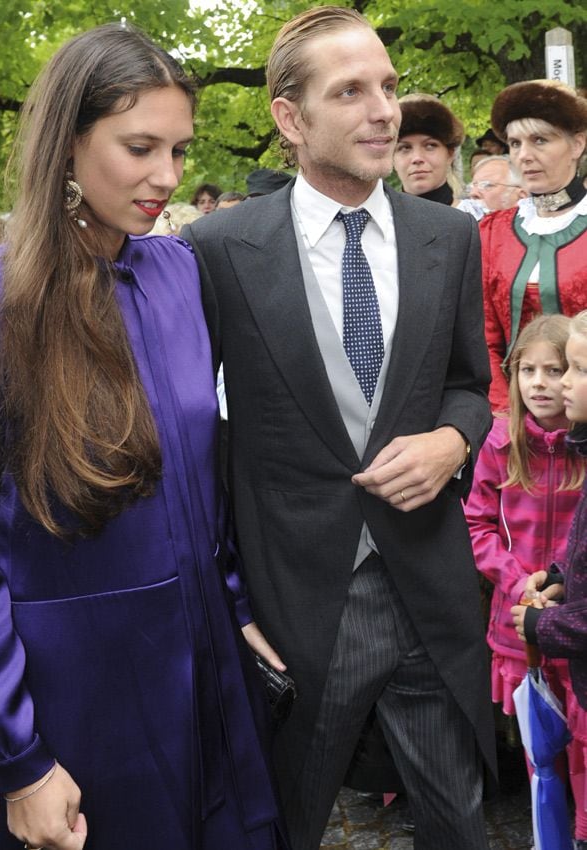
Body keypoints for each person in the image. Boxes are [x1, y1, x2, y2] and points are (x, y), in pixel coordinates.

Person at [0, 23, 286, 850]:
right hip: (78, 700)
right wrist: (19, 760)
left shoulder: (180, 271)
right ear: (68, 144)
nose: (167, 178)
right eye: (140, 146)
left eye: (180, 151)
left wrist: (236, 604)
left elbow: (201, 466)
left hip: (210, 675)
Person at [183, 7, 495, 850]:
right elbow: (189, 434)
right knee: (283, 825)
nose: (384, 110)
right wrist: (229, 590)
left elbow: (472, 385)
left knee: (460, 827)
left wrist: (453, 443)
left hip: (431, 587)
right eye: (350, 91)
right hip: (300, 610)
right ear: (291, 118)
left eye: (389, 87)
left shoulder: (447, 238)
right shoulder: (217, 250)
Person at [464, 315, 587, 839]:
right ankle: (550, 829)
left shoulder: (582, 448)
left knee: (581, 739)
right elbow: (477, 523)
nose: (539, 383)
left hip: (576, 628)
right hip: (520, 626)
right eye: (526, 370)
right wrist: (518, 582)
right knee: (542, 739)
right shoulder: (500, 441)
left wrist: (559, 584)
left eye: (556, 369)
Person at [511, 309, 587, 850]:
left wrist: (542, 624)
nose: (558, 385)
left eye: (574, 370)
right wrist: (557, 575)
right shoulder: (505, 441)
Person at [479, 80, 587, 412]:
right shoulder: (491, 232)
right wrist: (504, 415)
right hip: (513, 420)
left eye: (540, 140)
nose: (524, 155)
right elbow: (483, 336)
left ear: (577, 144)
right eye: (514, 143)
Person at [393, 93, 465, 205]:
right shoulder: (377, 221)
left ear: (450, 154)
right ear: (392, 159)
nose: (417, 158)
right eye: (405, 148)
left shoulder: (481, 220)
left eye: (430, 146)